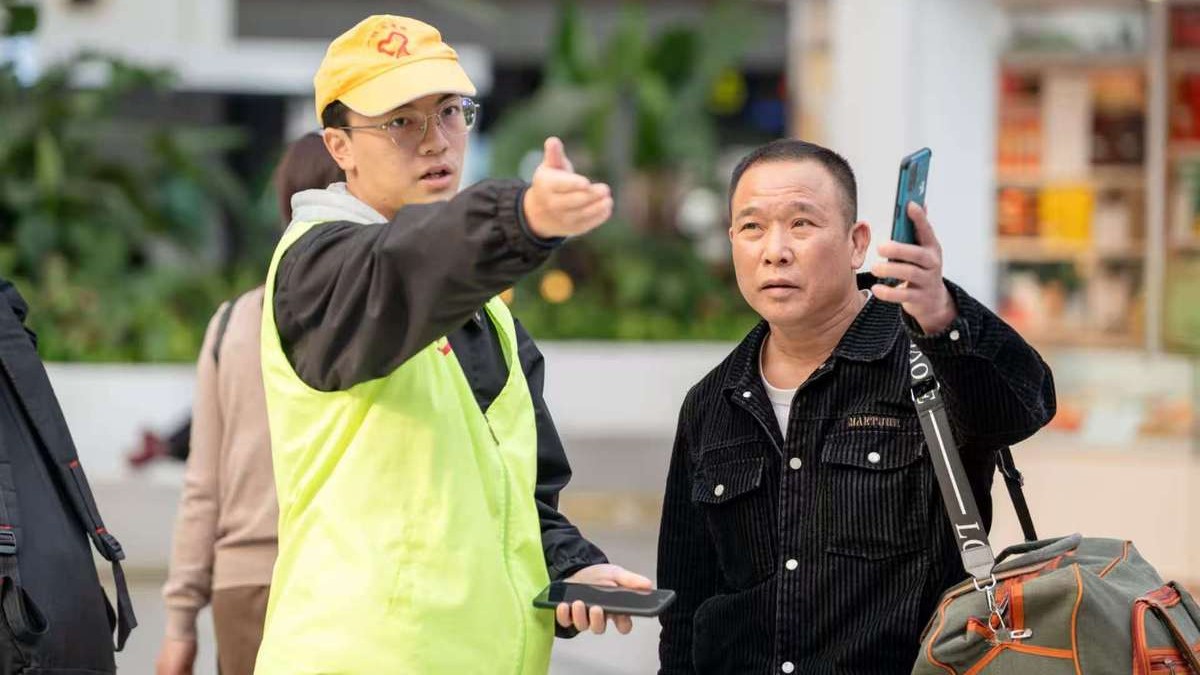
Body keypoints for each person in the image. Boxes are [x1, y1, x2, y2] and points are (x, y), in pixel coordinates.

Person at [253, 15, 649, 674]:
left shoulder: (487, 308)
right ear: (340, 146)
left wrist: (578, 567)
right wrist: (521, 218)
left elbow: (517, 496)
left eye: (450, 113)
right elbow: (401, 268)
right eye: (400, 122)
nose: (436, 141)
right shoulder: (319, 267)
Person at [656, 139, 1057, 674]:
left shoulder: (923, 360)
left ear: (856, 242)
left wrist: (942, 315)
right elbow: (685, 608)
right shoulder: (712, 402)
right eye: (752, 227)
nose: (775, 249)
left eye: (801, 224)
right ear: (732, 242)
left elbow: (1025, 405)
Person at [155, 132, 343, 675]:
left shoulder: (232, 322)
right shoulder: (377, 319)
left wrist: (180, 623)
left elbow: (202, 486)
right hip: (339, 577)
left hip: (244, 586)